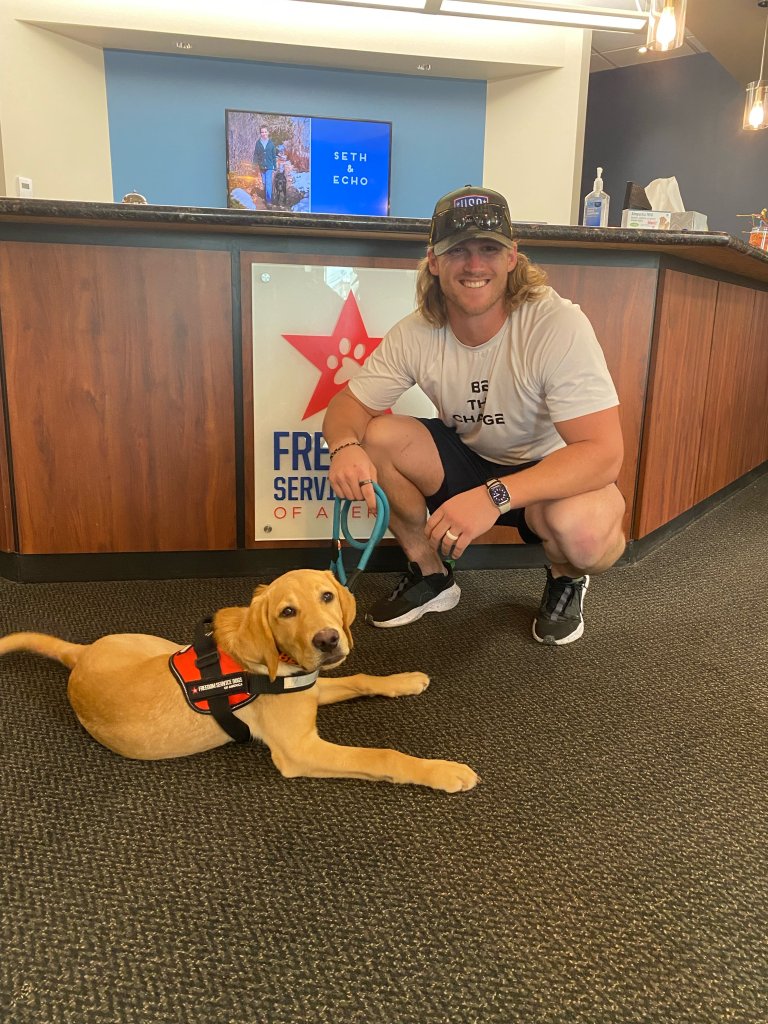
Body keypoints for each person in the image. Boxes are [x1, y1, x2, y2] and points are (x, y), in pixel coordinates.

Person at [322, 185, 625, 645]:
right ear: (434, 260)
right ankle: (431, 575)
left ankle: (565, 578)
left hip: (548, 472)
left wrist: (494, 497)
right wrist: (344, 448)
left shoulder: (556, 323)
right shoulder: (417, 332)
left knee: (587, 540)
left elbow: (604, 455)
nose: (475, 264)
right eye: (458, 250)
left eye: (489, 249)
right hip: (468, 459)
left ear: (511, 258)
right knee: (377, 436)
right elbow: (349, 406)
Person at [253, 125, 277, 207]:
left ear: (268, 132)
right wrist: (255, 164)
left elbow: (274, 155)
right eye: (262, 132)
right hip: (262, 166)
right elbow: (256, 154)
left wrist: (275, 166)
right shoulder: (258, 143)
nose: (264, 133)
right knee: (264, 182)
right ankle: (267, 194)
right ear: (260, 133)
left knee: (268, 183)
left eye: (265, 132)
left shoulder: (271, 144)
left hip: (269, 166)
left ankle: (269, 201)